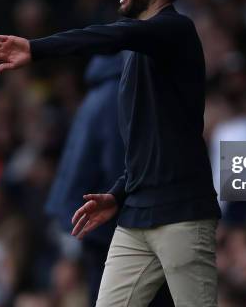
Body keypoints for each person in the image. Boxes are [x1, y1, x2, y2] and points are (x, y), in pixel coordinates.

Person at [0, 0, 221, 306]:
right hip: (135, 215)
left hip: (182, 216)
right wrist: (118, 194)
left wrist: (37, 48)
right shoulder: (134, 56)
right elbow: (151, 145)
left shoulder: (177, 30)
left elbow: (108, 36)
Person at [45, 53, 173, 306]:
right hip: (108, 227)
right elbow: (123, 171)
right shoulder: (120, 95)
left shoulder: (102, 93)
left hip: (95, 225)